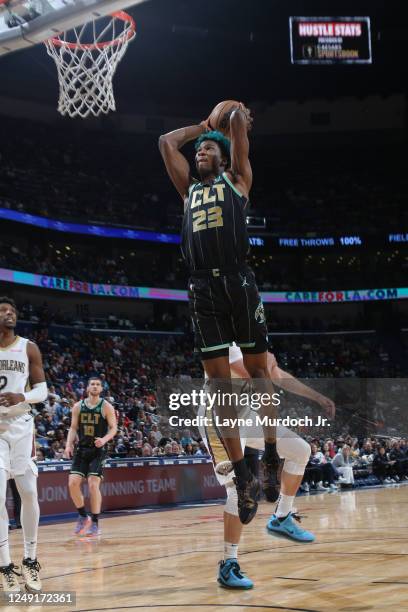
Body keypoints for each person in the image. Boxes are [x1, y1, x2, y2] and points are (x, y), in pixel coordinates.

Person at [159, 103, 279, 525]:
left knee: (258, 371)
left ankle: (271, 454)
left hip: (238, 281)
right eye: (200, 152)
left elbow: (236, 129)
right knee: (219, 384)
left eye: (208, 150)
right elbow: (166, 142)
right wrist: (202, 127)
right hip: (202, 288)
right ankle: (243, 472)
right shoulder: (188, 189)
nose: (200, 154)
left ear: (224, 158)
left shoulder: (238, 180)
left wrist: (230, 120)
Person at [202, 345, 335, 589]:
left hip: (244, 414)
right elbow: (257, 375)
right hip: (219, 419)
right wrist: (268, 363)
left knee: (301, 450)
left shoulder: (250, 340)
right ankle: (228, 563)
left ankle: (281, 517)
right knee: (237, 491)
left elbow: (277, 376)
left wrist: (317, 397)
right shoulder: (225, 340)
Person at [0, 296, 48, 592]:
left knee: (28, 492)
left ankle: (30, 560)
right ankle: (5, 566)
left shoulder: (28, 346)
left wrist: (23, 397)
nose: (9, 314)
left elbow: (42, 390)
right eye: (3, 310)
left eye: (12, 310)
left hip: (21, 426)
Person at [63, 378, 117, 537]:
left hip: (98, 450)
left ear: (101, 389)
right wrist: (68, 445)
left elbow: (114, 428)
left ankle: (95, 522)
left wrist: (104, 439)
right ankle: (82, 516)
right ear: (87, 388)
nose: (95, 386)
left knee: (93, 484)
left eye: (98, 384)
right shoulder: (78, 406)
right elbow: (73, 428)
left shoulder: (106, 406)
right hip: (82, 449)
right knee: (72, 483)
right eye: (92, 384)